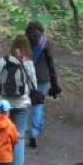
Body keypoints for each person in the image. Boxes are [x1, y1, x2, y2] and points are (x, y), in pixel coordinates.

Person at [0, 35, 38, 165]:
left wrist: (1, 97)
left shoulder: (3, 60)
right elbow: (34, 85)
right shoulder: (28, 63)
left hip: (4, 105)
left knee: (4, 135)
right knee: (19, 135)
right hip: (21, 104)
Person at [25, 21, 61, 149]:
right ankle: (34, 132)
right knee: (38, 104)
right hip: (43, 78)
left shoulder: (24, 43)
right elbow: (51, 64)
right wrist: (54, 83)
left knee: (27, 103)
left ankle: (27, 129)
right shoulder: (45, 43)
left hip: (27, 77)